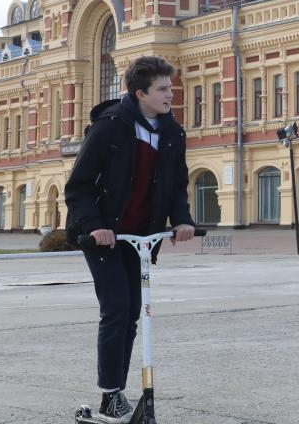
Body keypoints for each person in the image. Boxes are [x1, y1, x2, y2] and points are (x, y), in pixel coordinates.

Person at [65, 55, 196, 423]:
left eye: (171, 87)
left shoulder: (172, 132)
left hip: (140, 237)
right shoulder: (108, 128)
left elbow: (176, 186)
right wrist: (94, 225)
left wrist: (182, 221)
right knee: (117, 308)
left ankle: (117, 391)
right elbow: (78, 187)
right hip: (103, 236)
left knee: (133, 314)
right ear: (141, 93)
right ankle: (110, 394)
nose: (172, 94)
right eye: (164, 89)